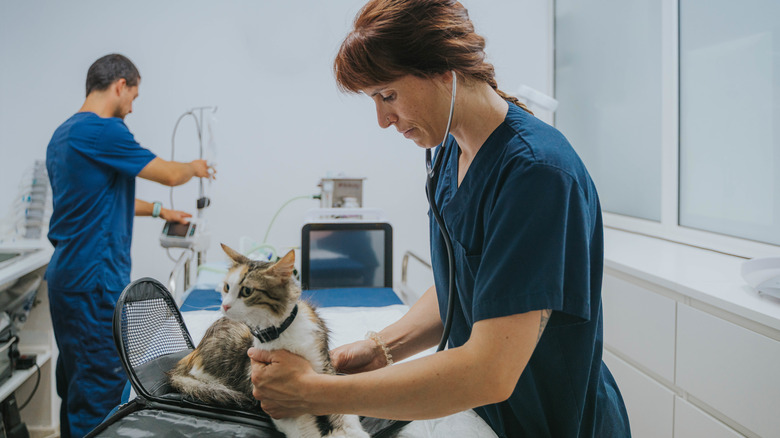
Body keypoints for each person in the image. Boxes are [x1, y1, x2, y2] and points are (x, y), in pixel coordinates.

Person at [247, 1, 630, 437]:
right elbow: (464, 281)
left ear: (443, 71)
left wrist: (313, 392)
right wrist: (379, 350)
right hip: (482, 416)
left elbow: (489, 372)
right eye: (374, 99)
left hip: (547, 421)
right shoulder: (451, 149)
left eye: (387, 95)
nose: (382, 120)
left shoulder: (536, 175)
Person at [45, 53, 213, 438]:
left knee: (75, 379)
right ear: (120, 85)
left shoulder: (62, 136)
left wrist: (159, 212)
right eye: (134, 97)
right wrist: (195, 167)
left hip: (66, 279)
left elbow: (96, 198)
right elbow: (170, 174)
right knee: (101, 385)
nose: (133, 108)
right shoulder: (105, 131)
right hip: (94, 280)